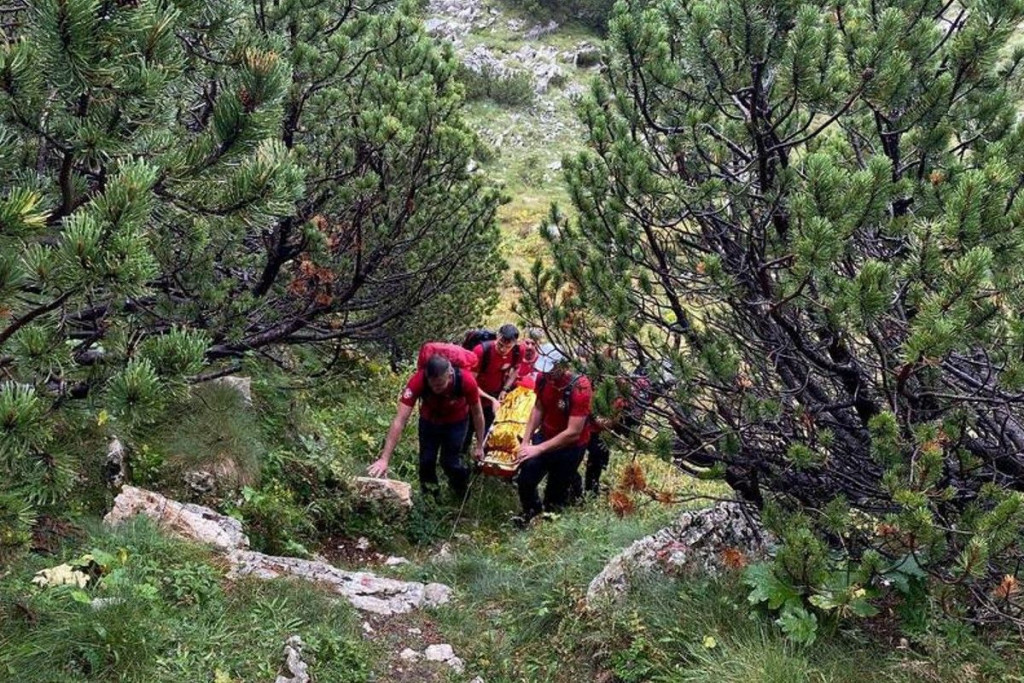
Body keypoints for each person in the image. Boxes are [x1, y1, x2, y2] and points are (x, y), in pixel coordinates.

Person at [368, 355, 485, 499]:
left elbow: (478, 414)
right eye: (433, 385)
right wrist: (384, 459)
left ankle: (461, 492)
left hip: (456, 422)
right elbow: (400, 420)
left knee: (450, 462)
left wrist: (480, 445)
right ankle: (430, 498)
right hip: (429, 421)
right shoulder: (418, 381)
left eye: (440, 385)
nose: (436, 389)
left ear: (449, 374)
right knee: (426, 461)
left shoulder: (466, 380)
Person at [513, 345, 593, 527]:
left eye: (551, 370)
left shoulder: (580, 388)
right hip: (545, 435)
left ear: (563, 365)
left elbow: (573, 433)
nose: (547, 374)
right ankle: (531, 512)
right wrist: (526, 443)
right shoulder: (543, 379)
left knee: (555, 493)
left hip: (570, 449)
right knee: (525, 480)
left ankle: (549, 525)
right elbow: (539, 408)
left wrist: (538, 449)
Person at [465, 323, 522, 451]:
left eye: (508, 347)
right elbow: (470, 383)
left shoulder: (518, 351)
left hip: (495, 394)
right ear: (497, 337)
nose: (503, 349)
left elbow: (516, 369)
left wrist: (505, 389)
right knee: (468, 428)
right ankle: (463, 453)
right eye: (500, 345)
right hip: (475, 396)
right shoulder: (481, 351)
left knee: (488, 429)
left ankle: (481, 457)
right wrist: (491, 399)